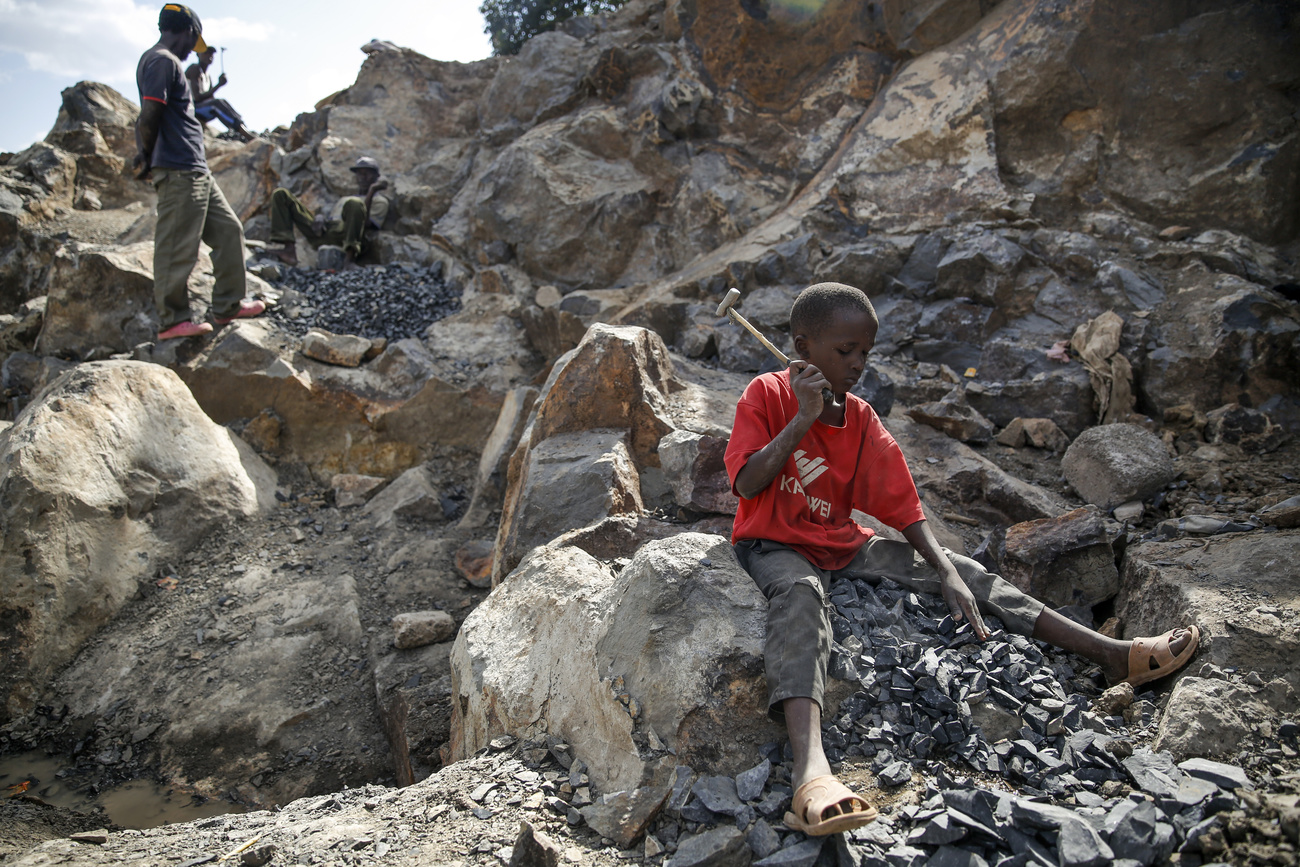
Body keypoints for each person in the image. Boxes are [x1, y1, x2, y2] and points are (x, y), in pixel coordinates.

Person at [723, 282, 1200, 837]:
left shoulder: (860, 418)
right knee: (801, 595)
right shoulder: (766, 394)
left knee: (967, 571)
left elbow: (903, 505)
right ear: (803, 347)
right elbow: (747, 482)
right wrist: (802, 417)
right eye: (844, 350)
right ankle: (811, 774)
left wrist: (946, 569)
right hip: (772, 542)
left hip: (839, 542)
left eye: (865, 353)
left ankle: (1112, 654)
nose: (857, 365)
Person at [134, 3, 265, 341]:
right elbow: (149, 113)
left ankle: (228, 304)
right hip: (178, 167)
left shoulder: (169, 62)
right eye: (195, 41)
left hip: (195, 168)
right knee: (177, 244)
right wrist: (146, 155)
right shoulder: (162, 60)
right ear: (190, 32)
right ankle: (172, 320)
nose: (194, 49)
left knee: (229, 230)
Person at [265, 157, 390, 270]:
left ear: (376, 177)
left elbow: (366, 225)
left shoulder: (379, 201)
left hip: (347, 236)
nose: (363, 177)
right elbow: (333, 219)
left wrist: (371, 192)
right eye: (360, 173)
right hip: (327, 232)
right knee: (281, 194)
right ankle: (288, 249)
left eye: (367, 173)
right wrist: (320, 218)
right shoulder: (345, 199)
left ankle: (349, 259)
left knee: (354, 203)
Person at [185, 46, 257, 142]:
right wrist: (218, 85)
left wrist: (218, 86)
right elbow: (197, 97)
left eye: (211, 54)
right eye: (206, 53)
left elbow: (210, 97)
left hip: (200, 109)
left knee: (222, 102)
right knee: (216, 104)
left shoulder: (207, 76)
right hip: (191, 108)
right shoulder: (194, 69)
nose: (209, 56)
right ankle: (243, 132)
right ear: (198, 55)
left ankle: (241, 126)